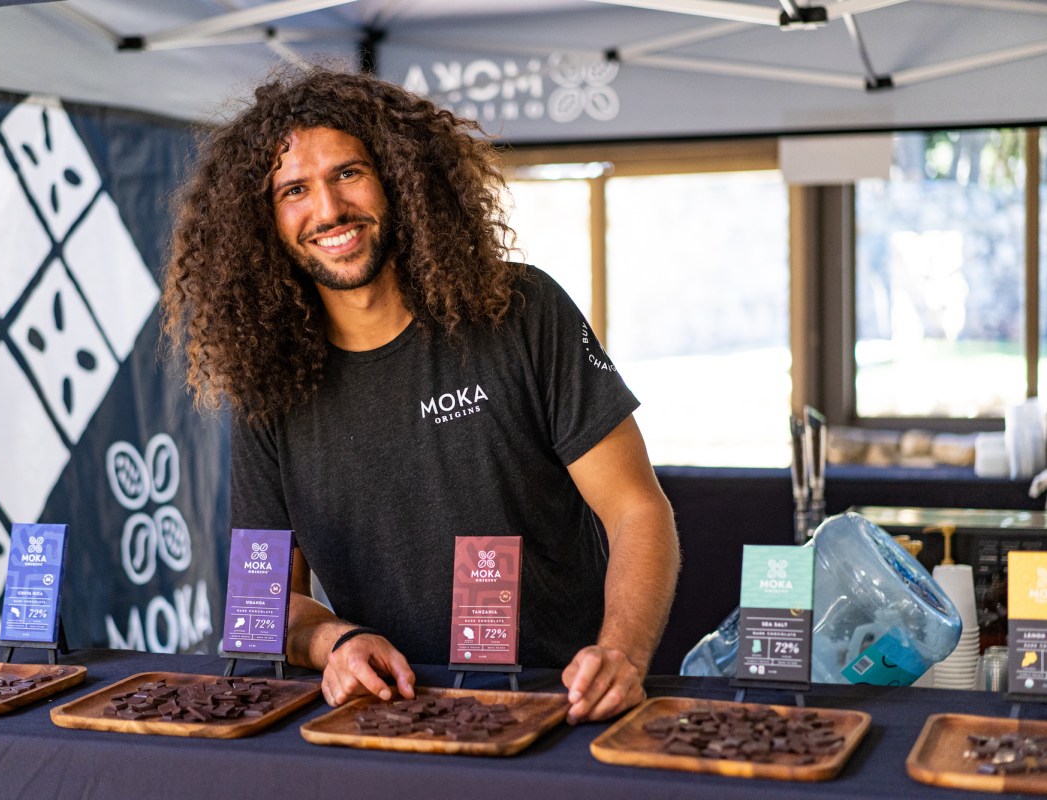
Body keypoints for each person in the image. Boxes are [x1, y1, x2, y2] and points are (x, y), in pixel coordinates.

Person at [161, 66, 679, 723]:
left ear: (400, 179)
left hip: (560, 709)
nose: (327, 211)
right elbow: (262, 600)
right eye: (294, 189)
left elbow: (636, 509)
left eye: (348, 173)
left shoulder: (521, 311)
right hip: (388, 716)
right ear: (261, 220)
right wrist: (334, 642)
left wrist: (621, 654)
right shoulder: (270, 381)